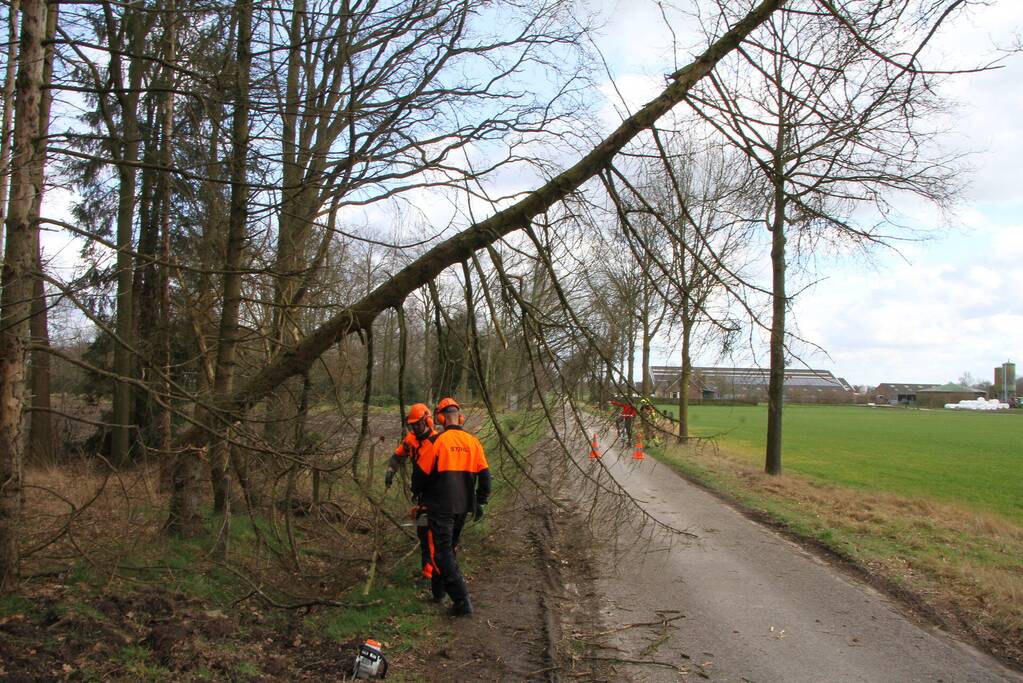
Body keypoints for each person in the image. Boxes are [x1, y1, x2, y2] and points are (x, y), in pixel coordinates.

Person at [412, 397, 491, 617]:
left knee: (441, 554)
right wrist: (480, 500)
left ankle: (462, 601)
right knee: (447, 549)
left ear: (439, 418)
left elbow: (419, 476)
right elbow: (486, 478)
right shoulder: (474, 442)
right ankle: (438, 593)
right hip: (462, 507)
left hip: (440, 506)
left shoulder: (436, 442)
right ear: (460, 418)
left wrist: (417, 492)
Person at [385, 404, 444, 601]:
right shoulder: (410, 439)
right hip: (421, 495)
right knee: (422, 532)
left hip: (435, 495)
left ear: (427, 421)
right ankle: (428, 571)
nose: (415, 428)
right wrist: (390, 472)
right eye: (412, 425)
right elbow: (397, 456)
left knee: (430, 536)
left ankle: (430, 575)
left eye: (418, 424)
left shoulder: (437, 441)